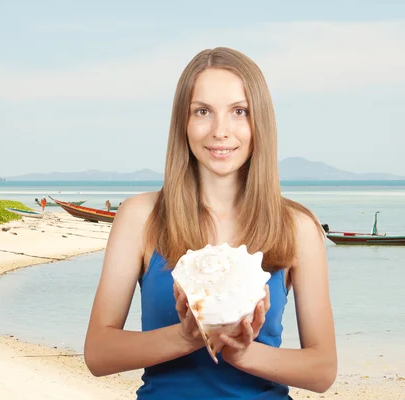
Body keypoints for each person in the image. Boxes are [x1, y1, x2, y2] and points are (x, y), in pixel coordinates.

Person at [84, 47, 337, 398]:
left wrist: (242, 352)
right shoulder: (139, 217)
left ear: (258, 121)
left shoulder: (297, 227)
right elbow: (98, 354)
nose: (221, 131)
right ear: (183, 123)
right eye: (203, 111)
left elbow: (322, 370)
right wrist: (187, 336)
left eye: (239, 112)